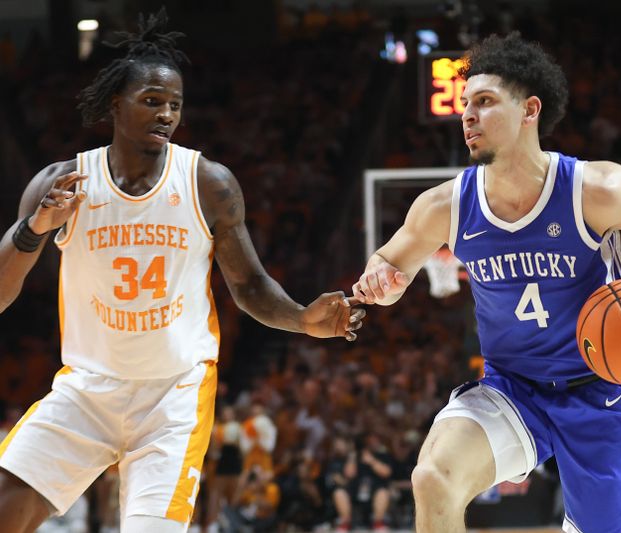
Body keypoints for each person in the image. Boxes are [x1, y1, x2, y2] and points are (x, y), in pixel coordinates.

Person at [0, 10, 365, 533]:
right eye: (152, 101)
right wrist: (35, 228)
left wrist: (302, 320)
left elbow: (250, 285)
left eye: (174, 104)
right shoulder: (63, 183)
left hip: (172, 397)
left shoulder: (206, 183)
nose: (166, 114)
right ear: (115, 105)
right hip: (86, 388)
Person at [353, 32, 621, 533]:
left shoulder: (592, 190)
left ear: (529, 110)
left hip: (604, 390)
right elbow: (387, 262)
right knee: (433, 478)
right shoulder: (444, 206)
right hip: (512, 386)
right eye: (466, 105)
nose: (467, 115)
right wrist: (383, 279)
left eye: (485, 102)